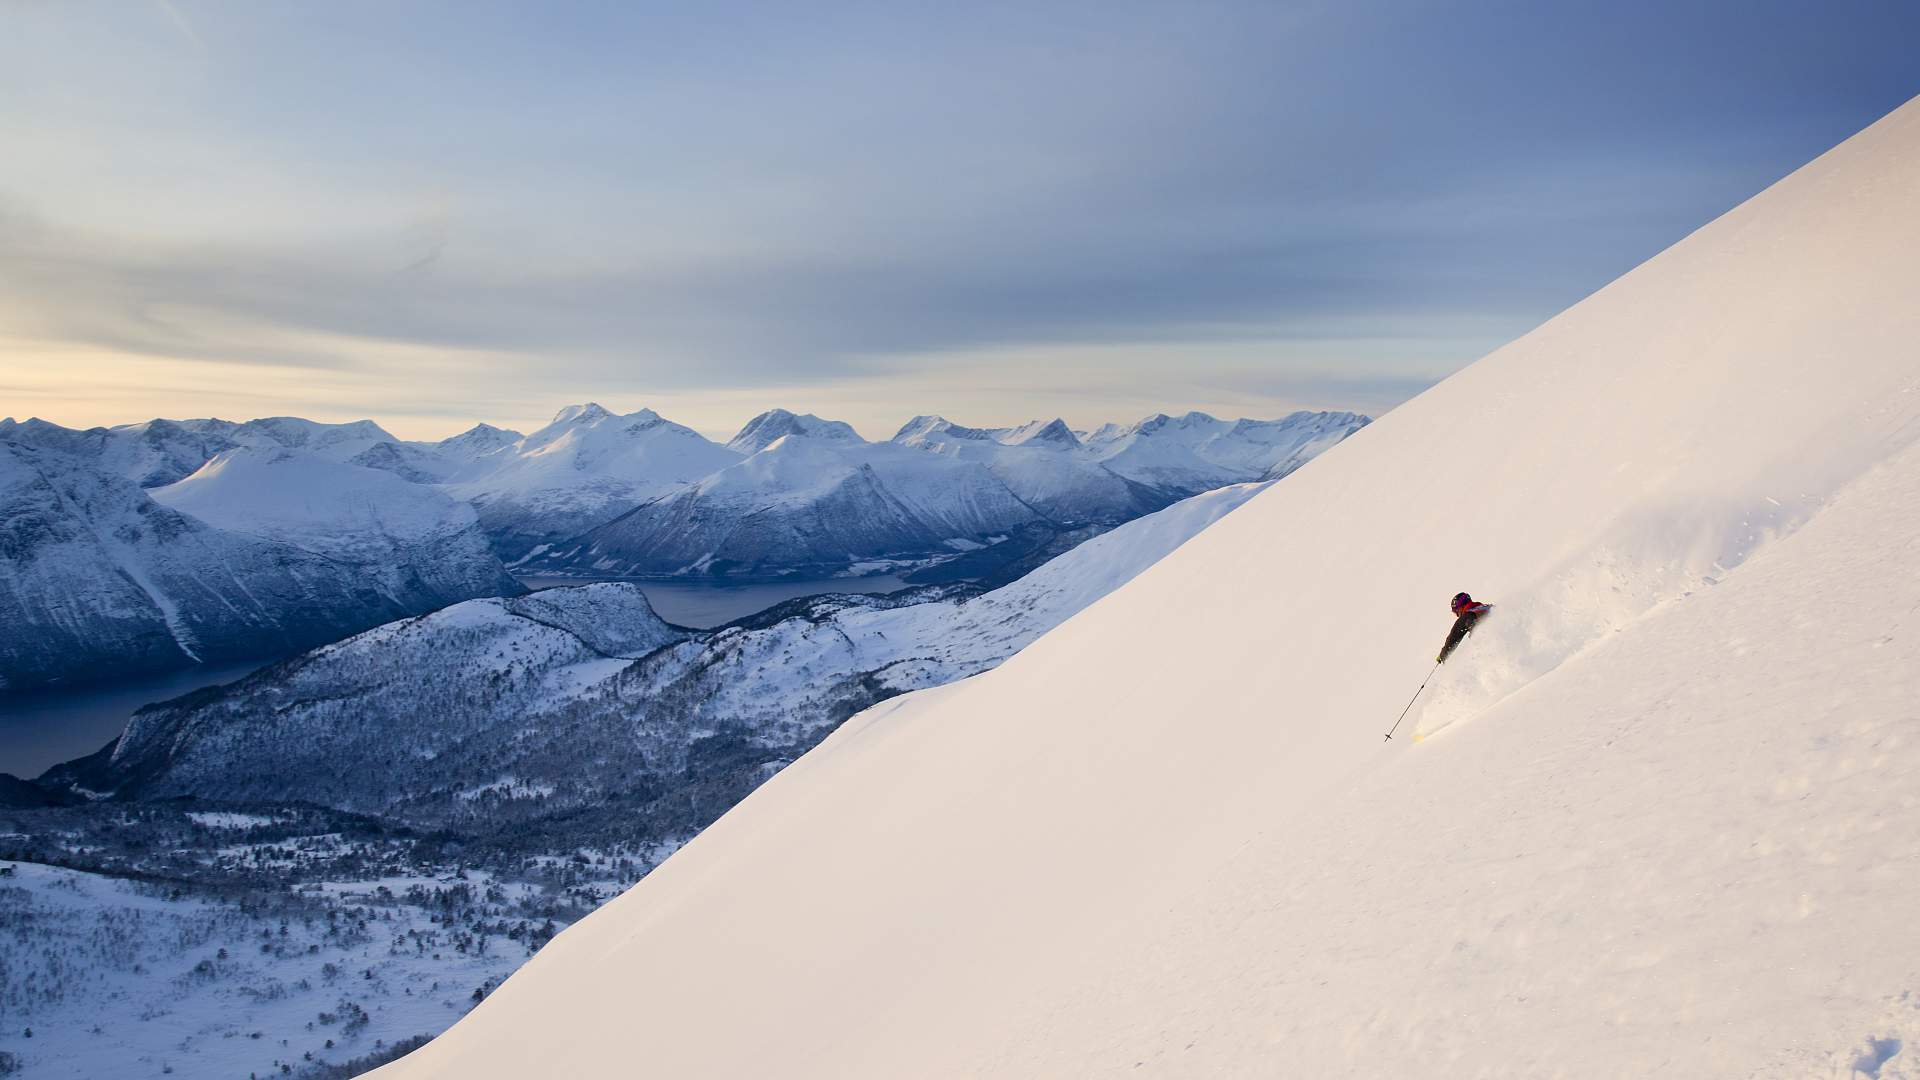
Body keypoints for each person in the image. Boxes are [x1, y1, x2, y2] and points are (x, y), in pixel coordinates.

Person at [1437, 592, 1492, 663]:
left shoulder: (1468, 615)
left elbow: (1453, 636)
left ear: (1461, 607)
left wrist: (1443, 655)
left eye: (1456, 611)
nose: (1457, 615)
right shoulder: (1488, 607)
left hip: (1489, 647)